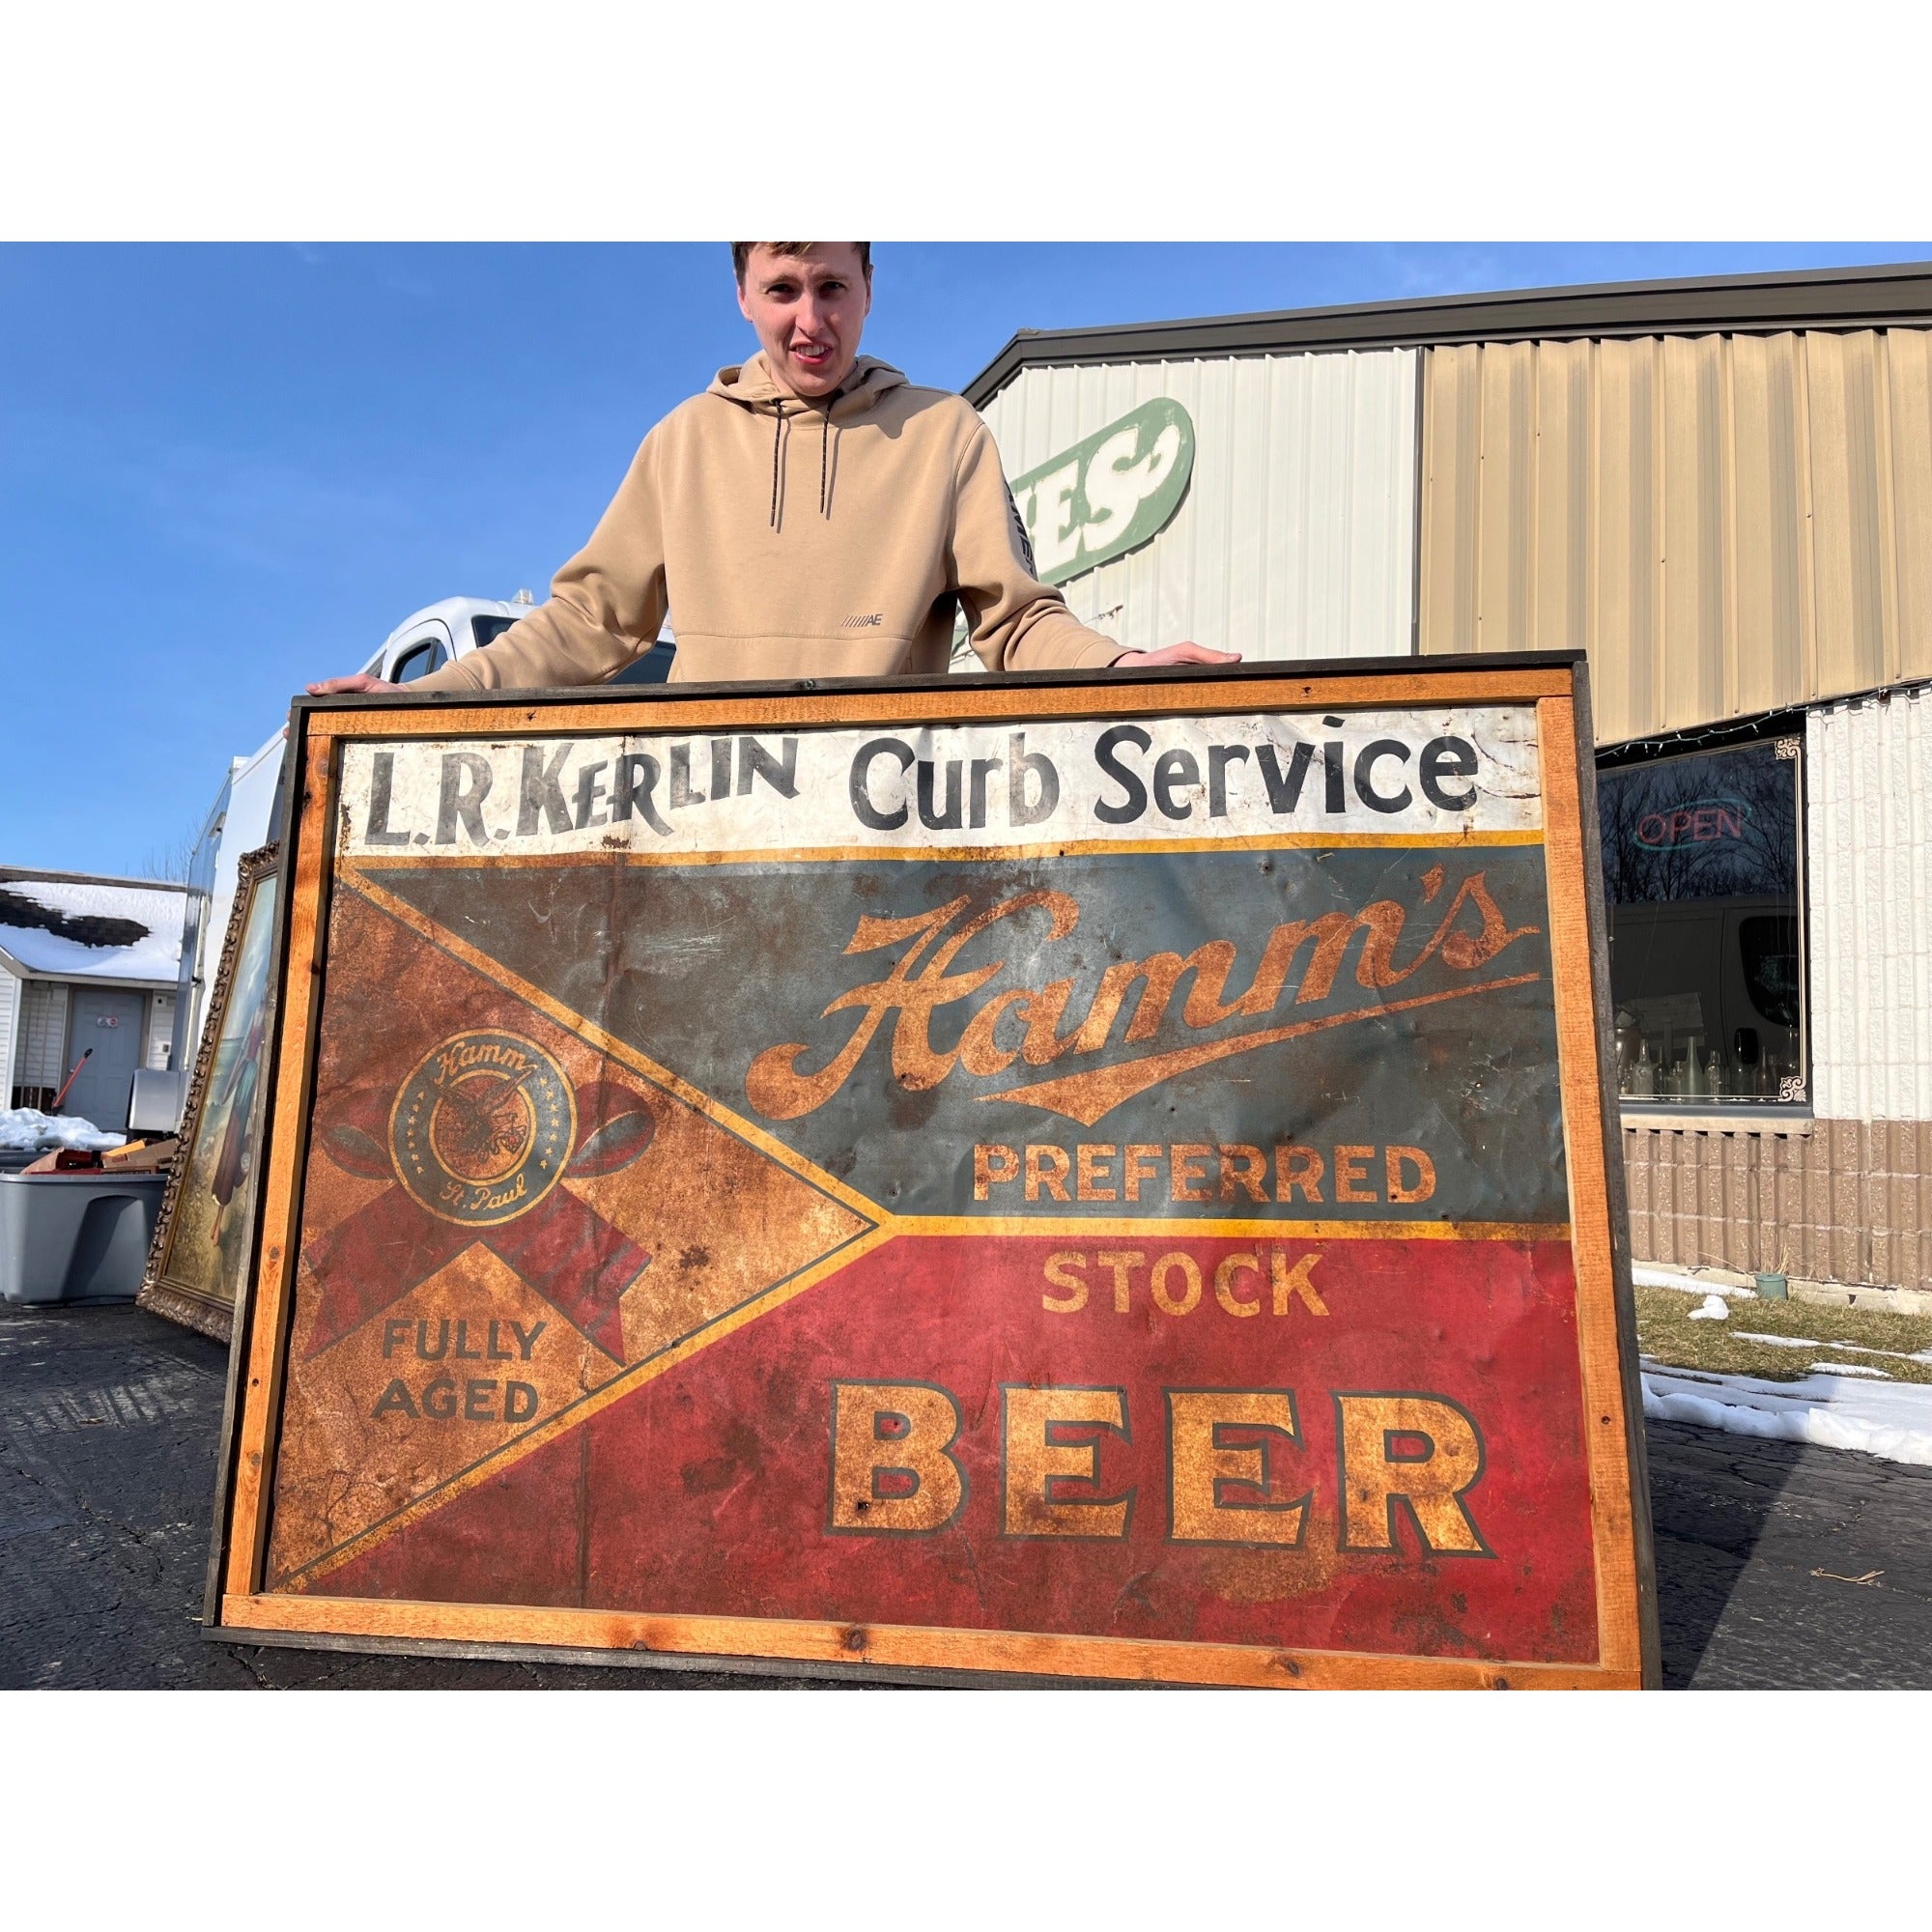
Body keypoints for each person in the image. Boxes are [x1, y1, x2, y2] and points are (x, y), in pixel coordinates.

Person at [308, 242, 1236, 697]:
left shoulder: (946, 435)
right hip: (710, 839)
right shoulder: (681, 442)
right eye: (784, 289)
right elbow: (591, 622)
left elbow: (1018, 622)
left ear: (869, 289)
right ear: (743, 294)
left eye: (833, 287)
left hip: (888, 839)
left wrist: (1121, 663)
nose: (811, 320)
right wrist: (420, 696)